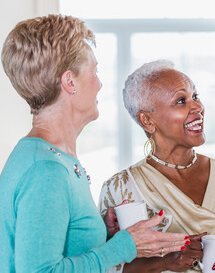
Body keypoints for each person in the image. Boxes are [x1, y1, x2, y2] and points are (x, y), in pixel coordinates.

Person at [0, 14, 190, 272]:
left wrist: (101, 231)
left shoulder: (53, 157)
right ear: (70, 82)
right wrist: (124, 245)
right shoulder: (46, 170)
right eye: (94, 71)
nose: (100, 84)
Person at [98, 60, 215, 273]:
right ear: (147, 121)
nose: (198, 107)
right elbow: (103, 267)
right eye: (181, 101)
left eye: (195, 97)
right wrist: (165, 262)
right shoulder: (120, 188)